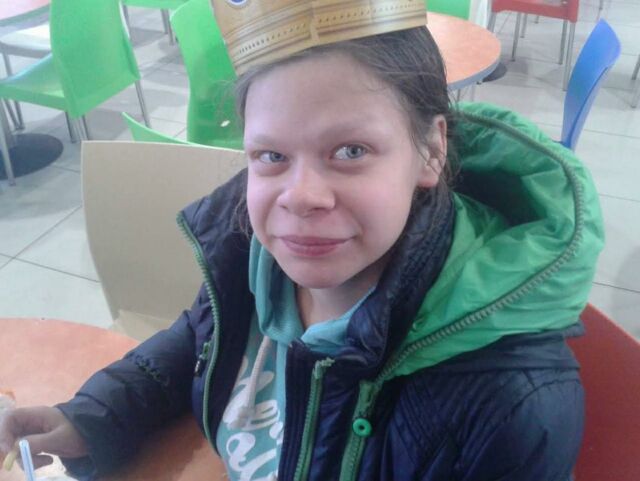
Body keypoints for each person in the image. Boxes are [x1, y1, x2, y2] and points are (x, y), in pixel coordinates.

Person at [0, 1, 603, 480]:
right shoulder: (252, 254)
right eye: (271, 156)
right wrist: (92, 418)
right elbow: (198, 338)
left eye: (350, 151)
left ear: (431, 149)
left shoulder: (511, 407)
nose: (300, 197)